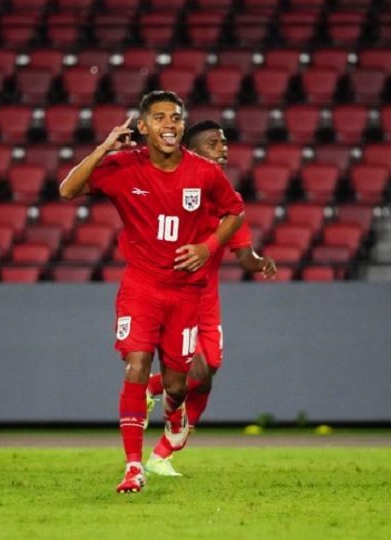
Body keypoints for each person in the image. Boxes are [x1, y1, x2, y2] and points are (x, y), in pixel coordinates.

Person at [60, 91, 244, 493]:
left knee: (178, 384)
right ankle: (132, 466)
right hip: (141, 287)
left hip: (185, 294)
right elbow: (68, 190)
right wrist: (104, 147)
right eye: (159, 118)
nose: (170, 125)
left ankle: (174, 413)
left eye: (175, 118)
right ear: (142, 127)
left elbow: (235, 211)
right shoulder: (123, 166)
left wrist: (207, 248)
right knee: (136, 365)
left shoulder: (205, 172)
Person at [143, 120, 277, 477]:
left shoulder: (229, 206)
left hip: (206, 297)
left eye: (225, 142)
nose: (224, 149)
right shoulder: (176, 192)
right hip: (170, 295)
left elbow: (244, 254)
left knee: (207, 370)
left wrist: (260, 262)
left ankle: (160, 443)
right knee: (196, 369)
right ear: (193, 151)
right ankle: (162, 435)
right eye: (214, 143)